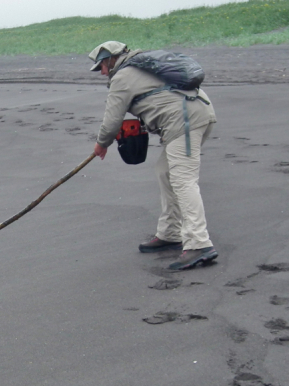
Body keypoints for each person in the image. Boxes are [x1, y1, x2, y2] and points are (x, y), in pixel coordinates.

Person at [89, 41, 218, 271]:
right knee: (165, 171)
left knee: (183, 180)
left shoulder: (123, 77)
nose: (103, 72)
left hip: (185, 121)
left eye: (102, 67)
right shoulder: (143, 65)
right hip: (196, 113)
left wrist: (101, 144)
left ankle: (199, 243)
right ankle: (170, 232)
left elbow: (111, 121)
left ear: (111, 59)